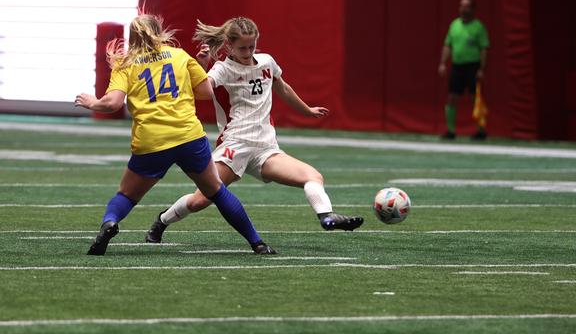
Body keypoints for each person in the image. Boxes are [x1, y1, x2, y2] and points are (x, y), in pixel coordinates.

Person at [144, 17, 364, 244]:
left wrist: (306, 110)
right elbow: (199, 91)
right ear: (229, 45)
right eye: (242, 48)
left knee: (313, 176)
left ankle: (326, 216)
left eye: (252, 46)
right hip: (235, 145)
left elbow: (283, 88)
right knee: (200, 201)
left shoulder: (266, 62)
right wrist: (202, 65)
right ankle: (162, 220)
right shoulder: (223, 69)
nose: (248, 52)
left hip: (265, 149)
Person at [75, 14, 275, 256]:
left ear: (133, 37)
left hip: (152, 140)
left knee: (127, 195)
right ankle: (257, 243)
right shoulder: (179, 55)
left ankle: (110, 222)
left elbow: (112, 103)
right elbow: (205, 92)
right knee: (216, 191)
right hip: (188, 136)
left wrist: (92, 102)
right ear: (159, 32)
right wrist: (201, 65)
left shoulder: (126, 64)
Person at [438, 0, 490, 140]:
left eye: (466, 6)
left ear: (472, 9)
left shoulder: (478, 27)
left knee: (475, 98)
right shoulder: (454, 25)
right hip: (457, 66)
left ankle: (481, 130)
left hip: (473, 66)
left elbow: (484, 49)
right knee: (452, 97)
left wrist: (482, 69)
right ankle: (450, 130)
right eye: (461, 6)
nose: (463, 9)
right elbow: (448, 45)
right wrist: (443, 63)